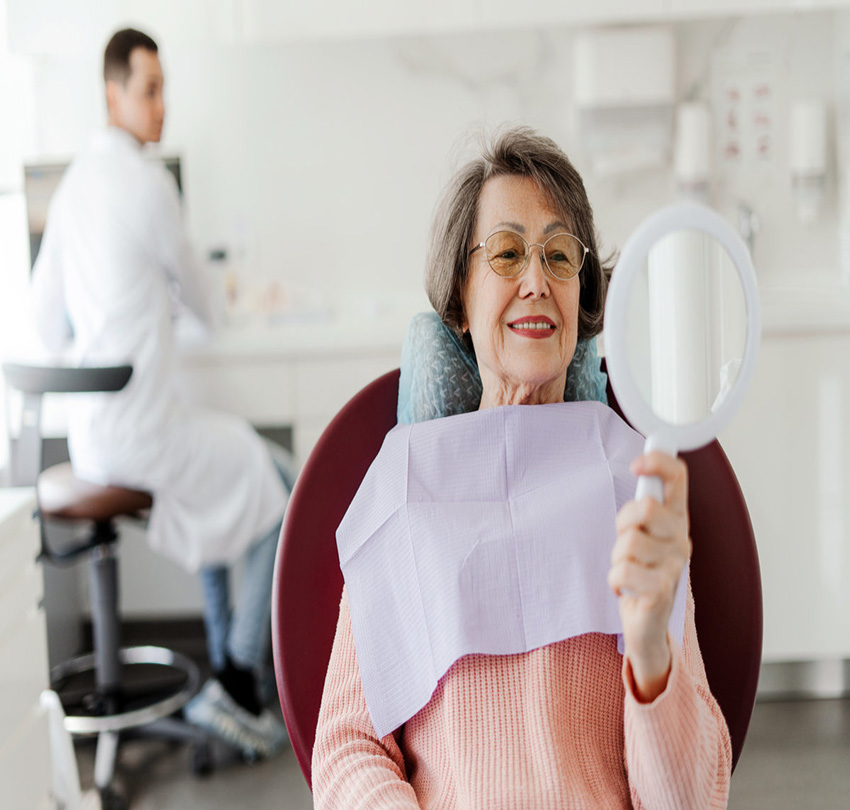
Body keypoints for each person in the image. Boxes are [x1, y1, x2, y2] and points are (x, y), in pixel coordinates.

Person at [311, 128, 732, 807]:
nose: (536, 281)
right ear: (460, 292)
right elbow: (346, 753)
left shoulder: (637, 487)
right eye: (507, 253)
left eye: (560, 256)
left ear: (582, 296)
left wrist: (653, 645)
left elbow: (693, 800)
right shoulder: (403, 490)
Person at [30, 28, 290, 760]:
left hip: (98, 436)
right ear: (113, 95)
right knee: (277, 482)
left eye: (163, 89)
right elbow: (206, 306)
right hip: (142, 435)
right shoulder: (146, 184)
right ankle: (238, 680)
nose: (161, 106)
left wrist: (116, 322)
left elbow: (45, 326)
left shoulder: (75, 183)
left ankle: (224, 666)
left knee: (221, 476)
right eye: (149, 91)